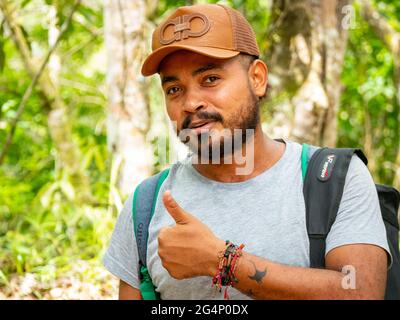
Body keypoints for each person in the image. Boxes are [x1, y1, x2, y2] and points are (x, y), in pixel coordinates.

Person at [103, 3, 391, 300]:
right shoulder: (146, 205)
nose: (191, 102)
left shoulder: (335, 179)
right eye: (174, 89)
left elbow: (362, 292)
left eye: (210, 79)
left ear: (257, 79)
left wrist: (220, 261)